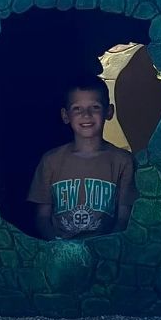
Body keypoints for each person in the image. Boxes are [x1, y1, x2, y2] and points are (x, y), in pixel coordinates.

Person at [27, 74, 136, 240]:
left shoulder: (123, 161)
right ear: (65, 115)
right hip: (60, 249)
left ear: (109, 111)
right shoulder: (51, 161)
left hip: (105, 251)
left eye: (95, 107)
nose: (86, 114)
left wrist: (105, 249)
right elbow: (42, 217)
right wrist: (59, 247)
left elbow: (124, 219)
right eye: (77, 108)